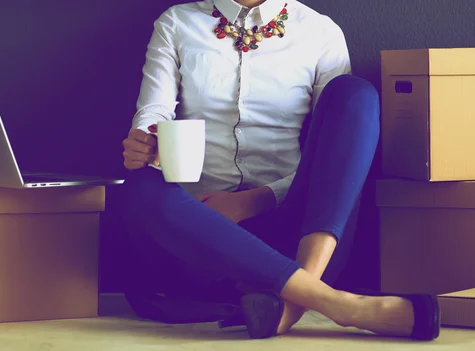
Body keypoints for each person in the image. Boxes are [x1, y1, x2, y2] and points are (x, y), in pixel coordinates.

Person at [121, 0, 440, 341]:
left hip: (300, 238)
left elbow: (336, 155)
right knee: (141, 185)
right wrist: (146, 139)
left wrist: (252, 202)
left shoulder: (320, 31)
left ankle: (297, 295)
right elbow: (155, 107)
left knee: (355, 94)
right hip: (199, 234)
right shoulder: (177, 23)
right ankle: (339, 305)